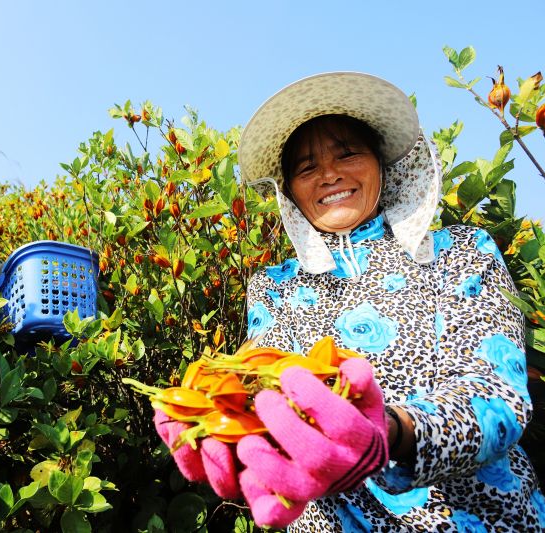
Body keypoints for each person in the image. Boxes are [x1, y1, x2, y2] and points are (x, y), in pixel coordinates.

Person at [156, 72, 544, 531]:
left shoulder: (460, 252)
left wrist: (392, 431)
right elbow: (269, 397)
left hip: (479, 519)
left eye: (348, 153)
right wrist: (225, 423)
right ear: (291, 192)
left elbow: (497, 395)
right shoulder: (274, 286)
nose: (328, 174)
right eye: (305, 167)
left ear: (383, 163)